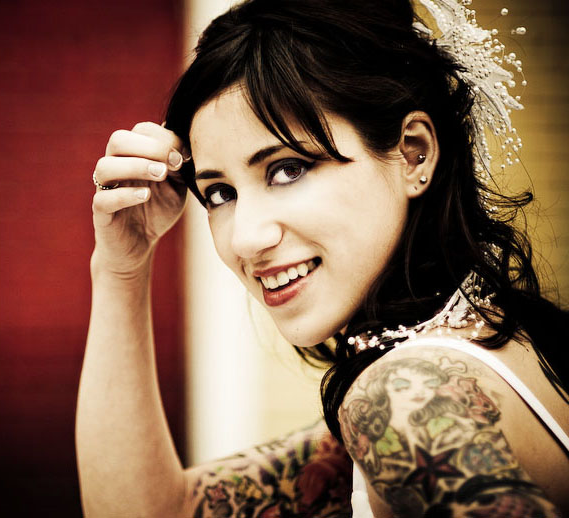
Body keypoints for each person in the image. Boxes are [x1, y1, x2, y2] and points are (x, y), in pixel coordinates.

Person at [75, 0, 569, 516]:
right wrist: (121, 268)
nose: (245, 239)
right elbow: (163, 510)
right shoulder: (501, 346)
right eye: (220, 193)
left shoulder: (404, 399)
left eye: (287, 169)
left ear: (413, 153)